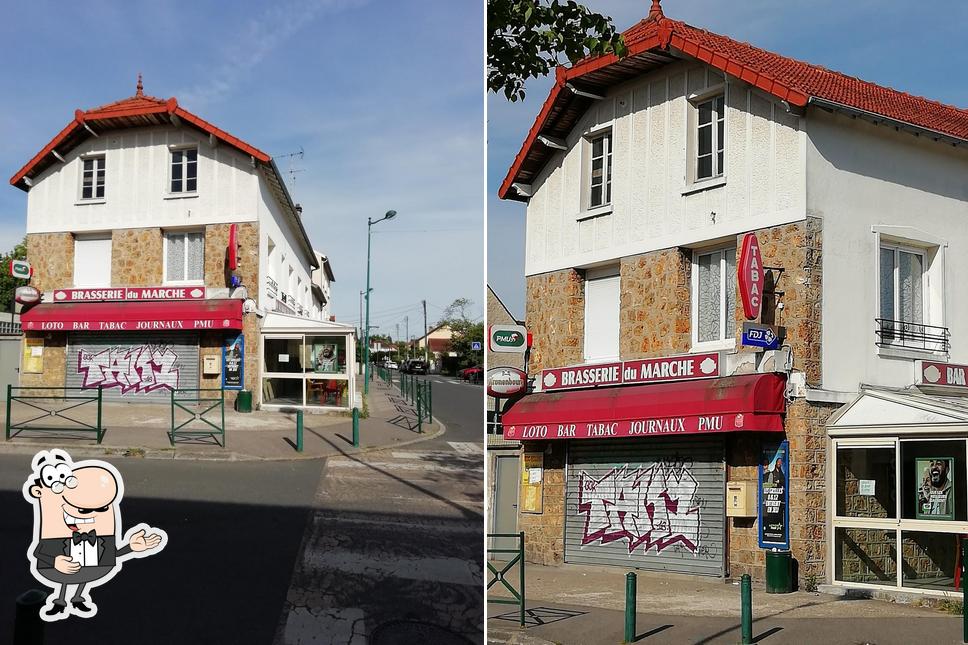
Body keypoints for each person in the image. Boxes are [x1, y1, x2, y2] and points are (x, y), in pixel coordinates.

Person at [23, 449, 166, 621]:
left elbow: (109, 555)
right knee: (66, 577)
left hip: (91, 568)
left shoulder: (100, 536)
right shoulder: (54, 533)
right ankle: (60, 602)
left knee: (85, 574)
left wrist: (131, 547)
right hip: (60, 568)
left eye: (102, 508)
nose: (90, 514)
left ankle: (77, 598)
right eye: (83, 509)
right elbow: (38, 552)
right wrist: (54, 561)